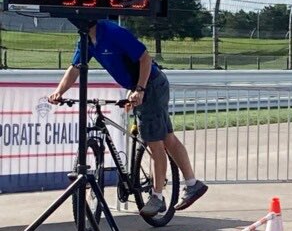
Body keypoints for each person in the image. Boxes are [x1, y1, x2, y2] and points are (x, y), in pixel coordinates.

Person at [48, 19, 208, 219]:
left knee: (154, 141)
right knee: (167, 137)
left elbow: (145, 58)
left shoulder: (113, 32)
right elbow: (75, 68)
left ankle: (157, 197)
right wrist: (58, 92)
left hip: (151, 84)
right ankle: (193, 183)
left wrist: (139, 89)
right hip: (140, 86)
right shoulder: (86, 39)